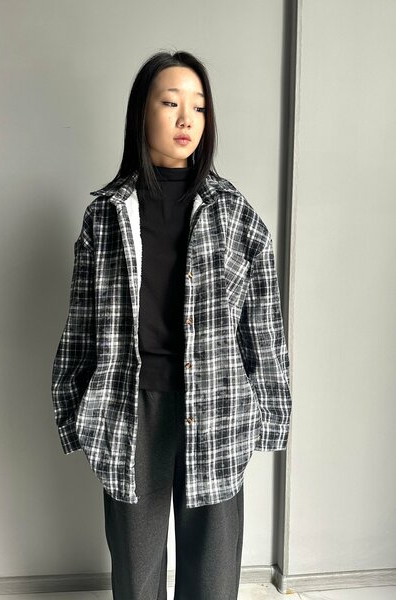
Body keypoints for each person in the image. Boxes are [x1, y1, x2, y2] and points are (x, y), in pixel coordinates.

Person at [51, 49, 292, 600]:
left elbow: (263, 324)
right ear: (142, 112)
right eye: (171, 103)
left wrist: (271, 413)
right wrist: (71, 408)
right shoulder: (107, 215)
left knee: (213, 572)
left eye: (199, 107)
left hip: (217, 403)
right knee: (136, 574)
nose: (187, 118)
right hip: (132, 407)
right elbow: (81, 323)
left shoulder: (233, 213)